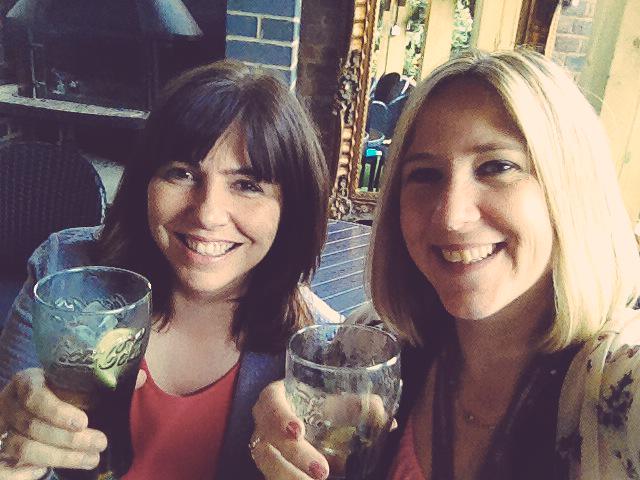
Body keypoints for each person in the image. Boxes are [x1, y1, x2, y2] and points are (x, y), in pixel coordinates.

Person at [249, 49, 640, 479]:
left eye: (496, 167)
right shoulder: (375, 344)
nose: (451, 216)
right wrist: (286, 413)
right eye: (426, 174)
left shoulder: (620, 377)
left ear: (573, 189)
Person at [0, 60, 339, 480]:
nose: (208, 214)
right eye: (182, 173)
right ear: (145, 181)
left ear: (291, 208)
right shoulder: (64, 274)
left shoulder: (316, 354)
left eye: (247, 185)